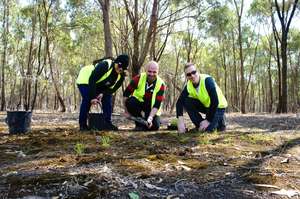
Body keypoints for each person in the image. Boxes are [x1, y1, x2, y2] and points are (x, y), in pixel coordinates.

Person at [76, 54, 129, 131]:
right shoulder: (105, 65)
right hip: (85, 77)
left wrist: (103, 93)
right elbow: (92, 79)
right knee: (87, 99)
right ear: (116, 62)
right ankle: (83, 125)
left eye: (123, 68)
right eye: (119, 66)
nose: (120, 69)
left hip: (97, 83)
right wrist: (93, 97)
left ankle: (107, 123)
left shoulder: (121, 77)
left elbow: (111, 90)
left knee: (107, 97)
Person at [176, 63, 227, 133]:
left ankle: (220, 121)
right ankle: (200, 124)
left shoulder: (207, 80)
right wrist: (180, 122)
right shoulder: (189, 86)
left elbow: (215, 101)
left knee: (208, 130)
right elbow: (179, 102)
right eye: (188, 74)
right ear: (186, 76)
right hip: (207, 107)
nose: (192, 76)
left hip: (218, 106)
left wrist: (208, 120)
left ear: (198, 71)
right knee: (186, 101)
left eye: (194, 72)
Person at [123, 61, 166, 131]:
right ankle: (139, 124)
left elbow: (157, 105)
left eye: (154, 72)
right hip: (139, 104)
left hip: (152, 108)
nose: (152, 74)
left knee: (154, 127)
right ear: (145, 70)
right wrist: (126, 112)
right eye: (149, 71)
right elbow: (126, 94)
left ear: (158, 72)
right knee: (130, 102)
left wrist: (150, 118)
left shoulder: (161, 84)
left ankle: (149, 120)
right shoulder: (138, 78)